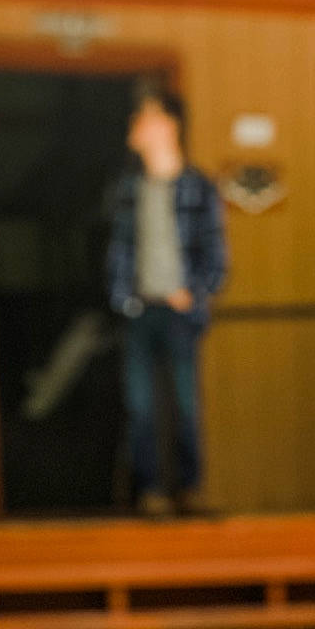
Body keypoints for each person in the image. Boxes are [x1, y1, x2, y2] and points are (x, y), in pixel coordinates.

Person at [106, 84, 228, 517]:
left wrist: (194, 293)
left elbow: (216, 253)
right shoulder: (129, 189)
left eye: (144, 118)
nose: (135, 127)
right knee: (140, 407)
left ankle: (189, 490)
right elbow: (118, 250)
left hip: (180, 312)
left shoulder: (198, 188)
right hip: (139, 309)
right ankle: (151, 491)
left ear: (168, 125)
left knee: (184, 405)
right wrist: (123, 298)